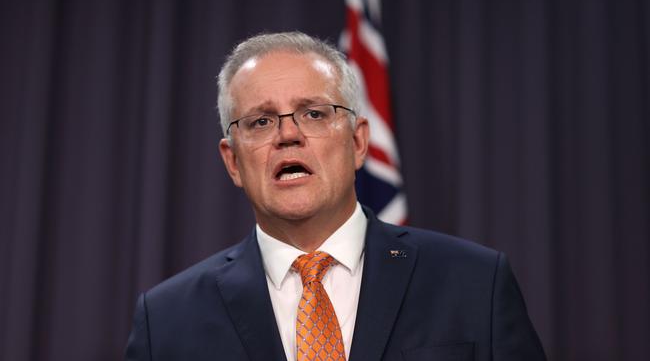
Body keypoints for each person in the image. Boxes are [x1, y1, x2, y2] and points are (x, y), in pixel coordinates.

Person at [125, 31, 546, 361]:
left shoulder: (475, 284)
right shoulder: (166, 321)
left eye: (313, 113)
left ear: (359, 142)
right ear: (233, 161)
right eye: (260, 121)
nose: (288, 135)